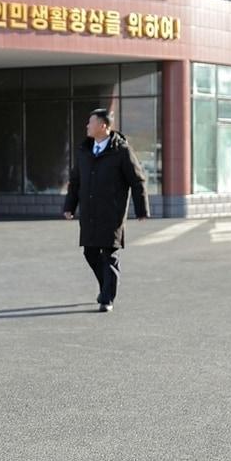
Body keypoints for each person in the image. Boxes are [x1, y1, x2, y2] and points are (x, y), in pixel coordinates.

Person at [63, 108, 149, 313]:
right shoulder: (84, 150)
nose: (87, 126)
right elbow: (75, 182)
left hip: (112, 213)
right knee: (90, 252)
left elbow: (137, 181)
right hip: (90, 213)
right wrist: (69, 206)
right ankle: (106, 286)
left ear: (103, 125)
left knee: (108, 254)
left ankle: (107, 298)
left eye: (90, 122)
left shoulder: (121, 151)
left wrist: (141, 209)